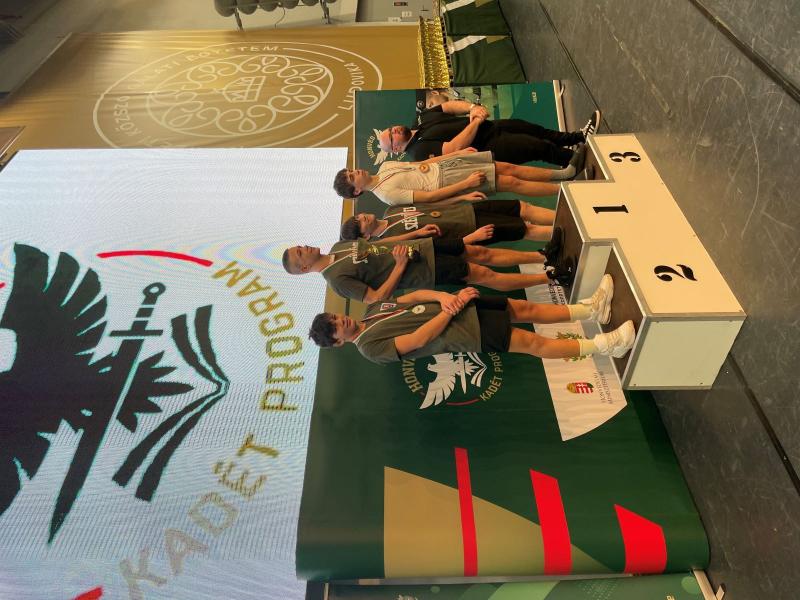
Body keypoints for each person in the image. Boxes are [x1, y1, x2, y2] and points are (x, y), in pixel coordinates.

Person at [308, 274, 636, 364]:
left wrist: (443, 297)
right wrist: (450, 310)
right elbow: (418, 340)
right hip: (464, 331)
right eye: (335, 329)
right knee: (533, 343)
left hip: (460, 307)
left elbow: (413, 297)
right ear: (337, 343)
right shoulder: (369, 348)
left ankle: (590, 310)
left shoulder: (371, 311)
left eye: (335, 317)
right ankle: (604, 346)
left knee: (525, 309)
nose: (341, 322)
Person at [281, 237, 563, 303]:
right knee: (485, 275)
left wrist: (414, 235)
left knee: (480, 252)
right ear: (304, 268)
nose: (304, 247)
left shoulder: (338, 245)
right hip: (422, 270)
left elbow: (378, 245)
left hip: (421, 247)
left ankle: (542, 255)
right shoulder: (336, 281)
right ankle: (550, 277)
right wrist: (400, 266)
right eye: (300, 253)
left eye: (299, 246)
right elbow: (376, 298)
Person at [379, 100, 600, 167]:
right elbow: (455, 148)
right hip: (488, 148)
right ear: (396, 149)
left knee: (538, 131)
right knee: (537, 148)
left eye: (389, 129)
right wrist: (475, 121)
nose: (393, 131)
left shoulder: (419, 120)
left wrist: (471, 108)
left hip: (490, 126)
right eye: (391, 137)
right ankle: (584, 162)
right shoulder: (418, 153)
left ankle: (579, 137)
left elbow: (447, 107)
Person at [333, 146, 587, 205]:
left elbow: (423, 163)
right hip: (448, 182)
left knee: (508, 167)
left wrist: (457, 154)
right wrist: (465, 184)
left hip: (448, 166)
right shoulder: (387, 195)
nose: (356, 171)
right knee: (511, 182)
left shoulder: (385, 167)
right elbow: (430, 198)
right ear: (357, 191)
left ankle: (564, 174)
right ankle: (568, 191)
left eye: (351, 170)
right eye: (352, 177)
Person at [339, 199, 556, 245]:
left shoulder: (391, 210)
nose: (362, 217)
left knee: (522, 207)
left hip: (465, 209)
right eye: (359, 224)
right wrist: (470, 239)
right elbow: (434, 246)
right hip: (468, 228)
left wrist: (464, 198)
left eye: (358, 216)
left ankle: (566, 214)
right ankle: (568, 230)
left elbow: (430, 203)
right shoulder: (392, 241)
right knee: (524, 229)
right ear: (365, 235)